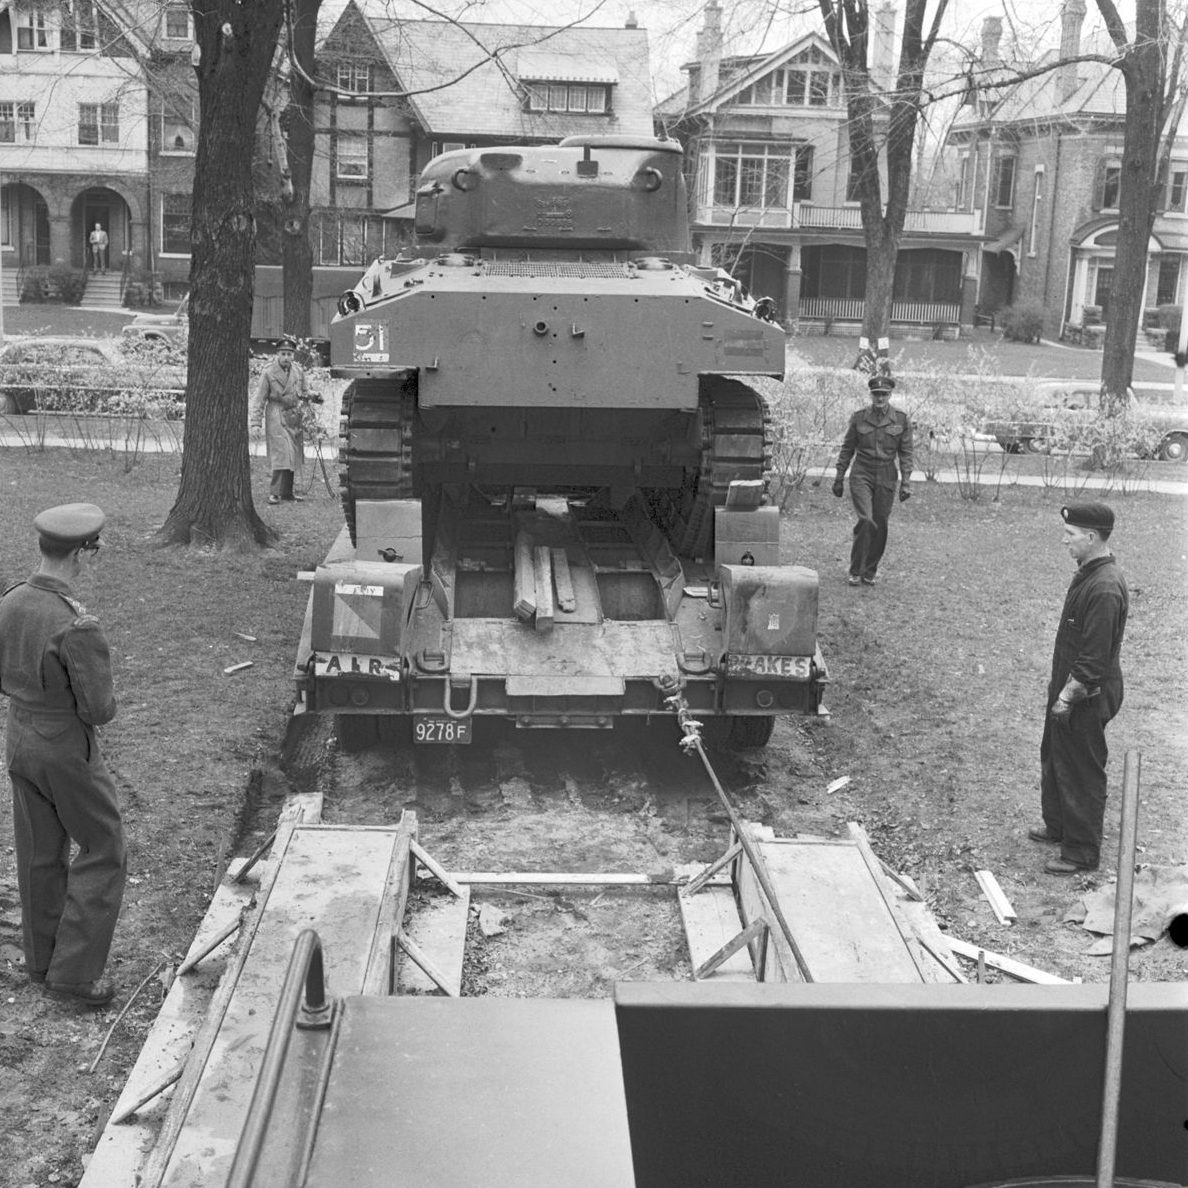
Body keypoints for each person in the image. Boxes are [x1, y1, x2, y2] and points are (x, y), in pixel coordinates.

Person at [0, 504, 126, 1006]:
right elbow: (99, 710)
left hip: (19, 736)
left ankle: (40, 962)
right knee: (103, 846)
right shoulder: (77, 626)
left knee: (38, 853)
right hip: (65, 748)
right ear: (80, 553)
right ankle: (73, 978)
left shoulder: (9, 602)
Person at [1031, 502, 1128, 874]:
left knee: (1080, 768)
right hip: (1069, 683)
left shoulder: (1104, 587)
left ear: (1091, 537)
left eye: (1070, 535)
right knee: (1055, 753)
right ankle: (1058, 826)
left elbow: (1093, 659)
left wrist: (1067, 698)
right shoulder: (1090, 572)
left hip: (1087, 691)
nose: (1064, 540)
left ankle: (1081, 852)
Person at [832, 374, 914, 586]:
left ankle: (869, 571)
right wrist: (839, 477)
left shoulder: (901, 419)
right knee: (866, 520)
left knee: (881, 524)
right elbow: (847, 448)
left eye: (884, 394)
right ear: (871, 394)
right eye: (876, 394)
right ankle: (855, 570)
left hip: (887, 474)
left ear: (890, 395)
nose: (880, 398)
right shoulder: (859, 418)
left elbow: (906, 453)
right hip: (862, 472)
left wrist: (906, 482)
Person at [249, 337, 309, 504]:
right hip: (276, 413)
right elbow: (259, 398)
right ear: (277, 354)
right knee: (280, 454)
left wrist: (313, 397)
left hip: (293, 415)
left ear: (293, 356)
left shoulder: (298, 371)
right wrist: (255, 422)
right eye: (283, 354)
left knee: (292, 455)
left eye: (289, 354)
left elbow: (305, 391)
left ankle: (287, 493)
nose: (286, 357)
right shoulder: (268, 372)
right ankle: (275, 492)